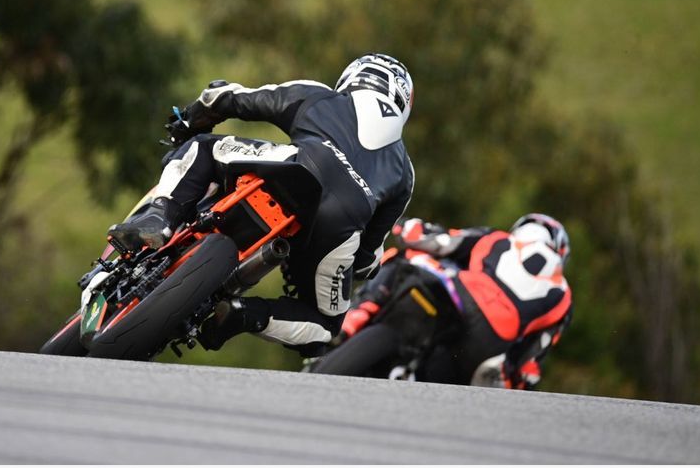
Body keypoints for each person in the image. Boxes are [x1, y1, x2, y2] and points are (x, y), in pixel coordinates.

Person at [107, 53, 416, 357]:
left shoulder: (321, 96)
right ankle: (244, 314)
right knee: (324, 326)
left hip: (294, 169)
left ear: (352, 78)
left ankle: (158, 220)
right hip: (343, 223)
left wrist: (191, 119)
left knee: (200, 148)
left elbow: (229, 98)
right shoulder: (405, 173)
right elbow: (366, 259)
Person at [340, 213, 572, 389]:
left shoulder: (497, 239)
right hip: (490, 350)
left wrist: (407, 227)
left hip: (463, 297)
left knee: (407, 257)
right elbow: (530, 366)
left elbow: (439, 241)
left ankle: (355, 316)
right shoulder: (563, 295)